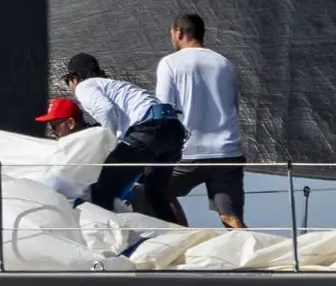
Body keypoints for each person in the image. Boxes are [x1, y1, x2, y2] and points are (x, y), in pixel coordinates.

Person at [63, 53, 187, 222]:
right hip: (173, 129)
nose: (70, 87)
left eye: (68, 82)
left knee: (103, 186)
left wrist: (107, 143)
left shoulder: (84, 86)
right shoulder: (114, 85)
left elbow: (105, 109)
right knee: (155, 191)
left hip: (150, 127)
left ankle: (105, 234)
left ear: (74, 78)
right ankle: (175, 233)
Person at [156, 13, 245, 228]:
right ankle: (252, 245)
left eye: (171, 33)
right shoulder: (224, 63)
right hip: (227, 153)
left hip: (188, 154)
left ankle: (181, 238)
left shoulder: (170, 63)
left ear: (179, 32)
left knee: (152, 190)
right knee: (230, 217)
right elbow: (234, 106)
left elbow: (163, 110)